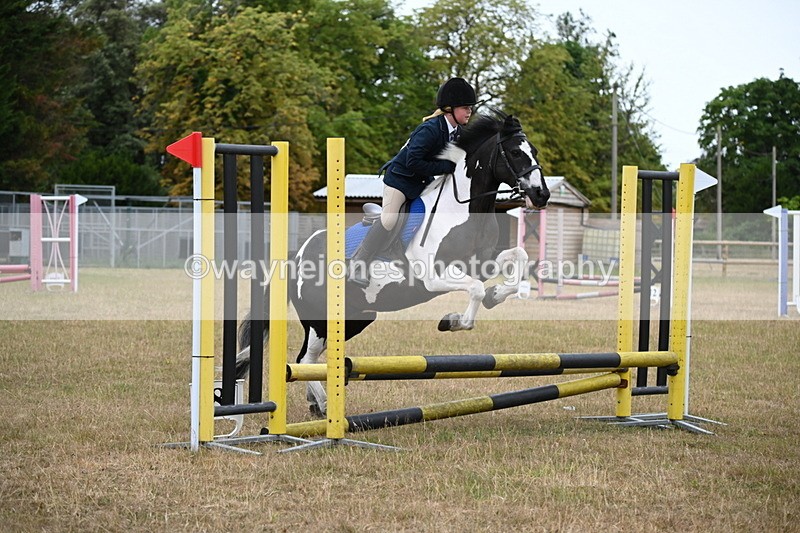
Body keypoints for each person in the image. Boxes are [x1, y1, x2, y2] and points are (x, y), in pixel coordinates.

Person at [349, 77, 477, 286]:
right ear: (449, 109)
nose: (469, 112)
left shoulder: (458, 133)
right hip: (400, 181)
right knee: (389, 220)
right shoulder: (430, 129)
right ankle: (359, 262)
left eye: (470, 108)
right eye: (465, 108)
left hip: (422, 182)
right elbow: (413, 161)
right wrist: (444, 167)